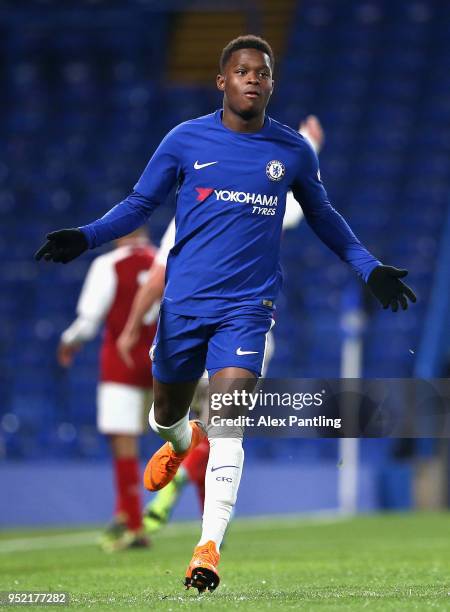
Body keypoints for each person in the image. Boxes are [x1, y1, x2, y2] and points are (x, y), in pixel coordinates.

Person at [35, 35, 416, 592]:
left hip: (248, 310)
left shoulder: (291, 151)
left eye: (262, 73)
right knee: (166, 413)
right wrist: (86, 236)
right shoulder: (185, 140)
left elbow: (325, 217)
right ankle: (180, 438)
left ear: (271, 84)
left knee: (231, 423)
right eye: (242, 71)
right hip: (184, 308)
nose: (253, 79)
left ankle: (207, 547)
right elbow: (141, 204)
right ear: (223, 81)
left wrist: (371, 268)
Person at [115, 115, 325, 535]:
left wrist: (132, 325)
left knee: (223, 427)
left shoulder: (253, 196)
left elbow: (291, 176)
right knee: (195, 424)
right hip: (193, 323)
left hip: (242, 324)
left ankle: (203, 532)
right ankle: (178, 479)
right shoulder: (204, 207)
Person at [57, 228, 158, 551]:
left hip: (122, 363)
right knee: (184, 435)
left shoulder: (108, 265)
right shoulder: (166, 261)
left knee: (123, 440)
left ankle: (134, 525)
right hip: (163, 364)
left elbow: (89, 320)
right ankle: (206, 523)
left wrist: (68, 342)